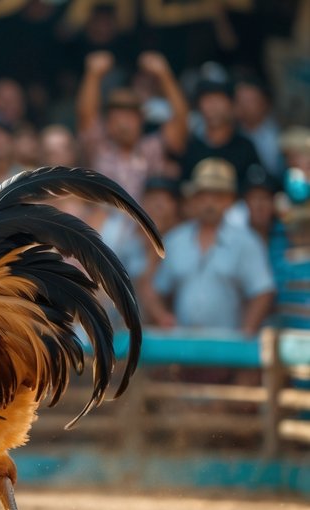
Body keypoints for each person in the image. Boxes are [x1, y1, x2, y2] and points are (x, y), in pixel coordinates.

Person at [143, 158, 275, 336]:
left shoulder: (246, 242)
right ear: (194, 199)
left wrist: (246, 332)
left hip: (227, 349)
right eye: (203, 195)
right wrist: (163, 318)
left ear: (230, 200)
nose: (210, 203)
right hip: (183, 347)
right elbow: (157, 290)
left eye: (218, 196)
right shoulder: (175, 240)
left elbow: (262, 292)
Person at [77, 51, 188, 203]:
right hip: (102, 221)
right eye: (117, 118)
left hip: (144, 222)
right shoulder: (98, 148)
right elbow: (86, 115)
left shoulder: (152, 148)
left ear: (141, 120)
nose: (123, 124)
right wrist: (93, 75)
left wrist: (164, 74)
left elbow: (181, 120)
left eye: (130, 117)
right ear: (107, 124)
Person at [179, 76, 264, 182]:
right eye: (208, 100)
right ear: (199, 105)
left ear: (232, 105)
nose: (213, 107)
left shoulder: (245, 148)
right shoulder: (191, 148)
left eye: (219, 100)